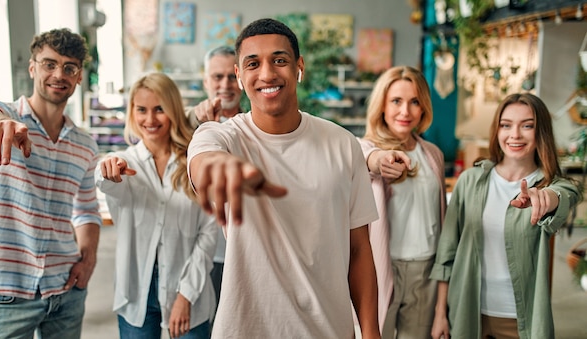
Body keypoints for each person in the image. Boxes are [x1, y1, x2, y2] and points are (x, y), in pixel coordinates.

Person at [187, 18, 382, 338]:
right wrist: (218, 166)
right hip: (246, 329)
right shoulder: (225, 138)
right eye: (253, 63)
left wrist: (371, 332)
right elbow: (204, 156)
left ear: (299, 67)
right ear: (239, 75)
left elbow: (359, 249)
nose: (267, 73)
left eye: (279, 60)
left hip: (328, 329)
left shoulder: (342, 144)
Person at [0, 28, 101, 338]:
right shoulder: (4, 116)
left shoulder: (84, 144)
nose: (59, 74)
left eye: (70, 67)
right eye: (49, 64)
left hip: (66, 289)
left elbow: (87, 210)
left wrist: (88, 259)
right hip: (7, 294)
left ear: (79, 76)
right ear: (32, 67)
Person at [430, 93, 582, 339]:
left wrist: (549, 198)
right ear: (497, 130)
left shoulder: (550, 186)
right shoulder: (469, 181)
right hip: (468, 312)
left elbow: (565, 195)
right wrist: (440, 315)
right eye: (506, 125)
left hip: (518, 320)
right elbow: (447, 255)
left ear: (540, 131)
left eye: (527, 126)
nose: (515, 135)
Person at [96, 72, 217, 339]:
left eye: (159, 109)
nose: (149, 120)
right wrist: (106, 171)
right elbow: (107, 183)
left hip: (189, 288)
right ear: (132, 112)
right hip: (137, 289)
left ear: (173, 110)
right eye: (141, 110)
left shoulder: (196, 162)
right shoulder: (124, 162)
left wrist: (185, 296)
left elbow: (208, 235)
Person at [358, 66, 446, 338]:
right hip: (381, 269)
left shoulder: (433, 155)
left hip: (425, 270)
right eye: (396, 101)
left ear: (424, 108)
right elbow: (368, 163)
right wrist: (381, 162)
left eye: (414, 102)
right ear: (382, 104)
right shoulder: (365, 148)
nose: (405, 112)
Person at [185, 46, 244, 316]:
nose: (225, 85)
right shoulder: (190, 125)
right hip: (200, 254)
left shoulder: (258, 125)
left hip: (246, 252)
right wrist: (195, 120)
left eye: (231, 76)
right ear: (206, 81)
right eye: (217, 77)